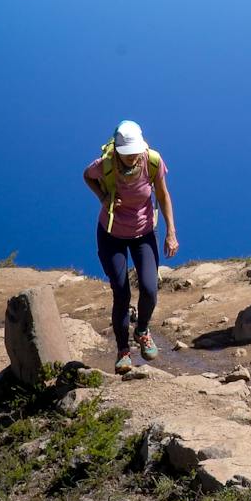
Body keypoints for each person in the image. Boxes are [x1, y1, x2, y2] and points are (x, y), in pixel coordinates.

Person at [83, 120, 178, 375]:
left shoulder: (152, 162)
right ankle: (123, 351)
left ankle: (142, 330)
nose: (133, 156)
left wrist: (171, 232)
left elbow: (163, 195)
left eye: (135, 151)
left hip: (143, 233)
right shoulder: (105, 165)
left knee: (149, 288)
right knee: (121, 293)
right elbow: (87, 176)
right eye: (127, 153)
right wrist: (103, 197)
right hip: (111, 234)